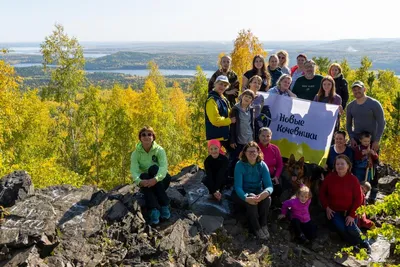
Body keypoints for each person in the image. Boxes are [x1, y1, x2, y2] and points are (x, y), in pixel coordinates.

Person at [319, 155, 372, 254]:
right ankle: (354, 244)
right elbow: (322, 193)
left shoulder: (353, 180)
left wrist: (352, 215)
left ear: (348, 166)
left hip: (350, 211)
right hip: (335, 210)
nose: (340, 166)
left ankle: (365, 244)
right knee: (341, 228)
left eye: (342, 164)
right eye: (337, 164)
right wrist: (326, 207)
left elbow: (359, 199)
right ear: (335, 166)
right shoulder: (330, 177)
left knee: (351, 228)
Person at [346, 80, 386, 202]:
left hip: (372, 141)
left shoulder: (374, 104)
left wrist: (377, 140)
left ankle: (373, 192)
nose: (357, 91)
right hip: (357, 142)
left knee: (373, 166)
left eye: (359, 88)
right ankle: (357, 191)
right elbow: (348, 125)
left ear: (364, 89)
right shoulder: (351, 106)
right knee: (356, 166)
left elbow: (382, 122)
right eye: (354, 89)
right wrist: (352, 137)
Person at [130, 126, 171, 225]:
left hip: (162, 180)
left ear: (153, 137)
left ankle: (164, 205)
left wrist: (156, 179)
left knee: (153, 168)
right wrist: (139, 181)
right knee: (143, 175)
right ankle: (154, 210)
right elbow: (134, 171)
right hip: (147, 182)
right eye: (143, 134)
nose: (146, 136)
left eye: (149, 134)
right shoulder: (136, 153)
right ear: (140, 138)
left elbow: (163, 167)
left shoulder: (159, 150)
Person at [233, 141, 273, 240]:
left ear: (258, 152)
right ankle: (256, 228)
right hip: (242, 194)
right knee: (251, 198)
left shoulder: (262, 165)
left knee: (267, 198)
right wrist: (246, 198)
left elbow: (269, 186)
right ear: (245, 153)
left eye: (254, 151)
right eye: (249, 151)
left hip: (257, 192)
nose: (252, 154)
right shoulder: (239, 165)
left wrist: (265, 193)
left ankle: (263, 224)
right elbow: (238, 187)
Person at [205, 75, 236, 151]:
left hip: (224, 136)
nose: (222, 87)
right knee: (216, 161)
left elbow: (228, 114)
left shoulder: (223, 98)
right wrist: (230, 121)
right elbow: (215, 120)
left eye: (225, 85)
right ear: (215, 84)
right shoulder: (211, 100)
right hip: (215, 138)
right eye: (220, 84)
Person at [229, 89, 256, 177]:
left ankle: (247, 176)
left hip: (249, 138)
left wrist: (253, 138)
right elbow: (232, 127)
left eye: (250, 97)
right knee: (236, 158)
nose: (247, 98)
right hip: (239, 138)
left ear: (251, 100)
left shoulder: (251, 109)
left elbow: (252, 124)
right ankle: (233, 176)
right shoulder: (235, 109)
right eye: (246, 96)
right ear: (241, 97)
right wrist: (232, 140)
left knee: (248, 158)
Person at [258, 127, 284, 202]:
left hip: (272, 176)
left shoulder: (275, 149)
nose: (265, 138)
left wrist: (276, 176)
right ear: (259, 136)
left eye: (268, 136)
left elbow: (280, 165)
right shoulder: (255, 148)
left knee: (278, 186)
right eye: (263, 136)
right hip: (258, 176)